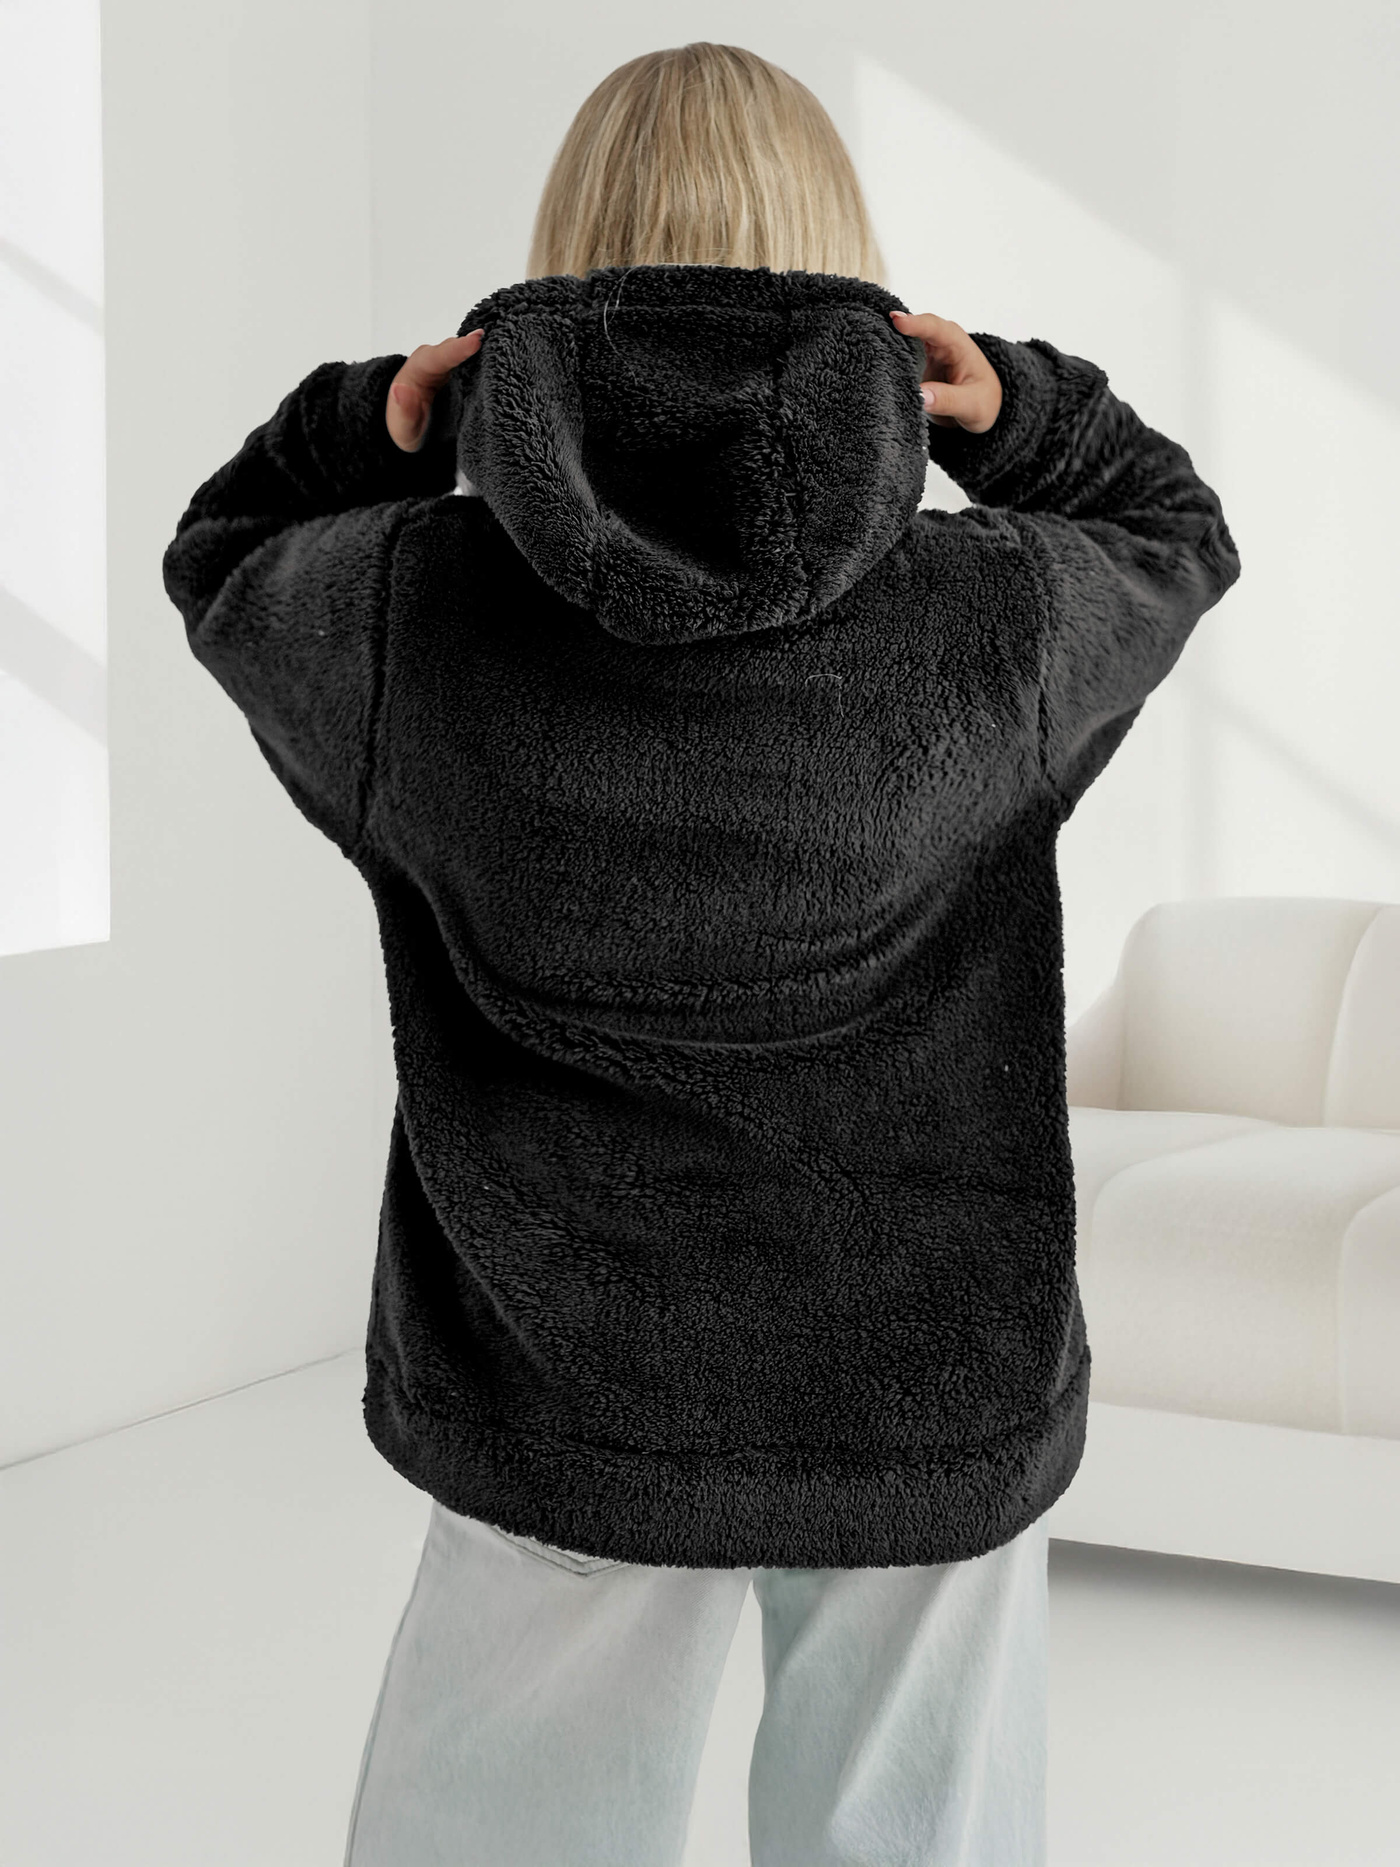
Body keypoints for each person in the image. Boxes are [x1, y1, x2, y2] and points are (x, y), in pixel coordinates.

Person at [161, 39, 1240, 1867]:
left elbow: (224, 551)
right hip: (923, 1378)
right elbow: (1177, 533)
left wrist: (372, 423)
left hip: (562, 1386)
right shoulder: (998, 615)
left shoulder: (413, 616)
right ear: (858, 286)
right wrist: (1024, 417)